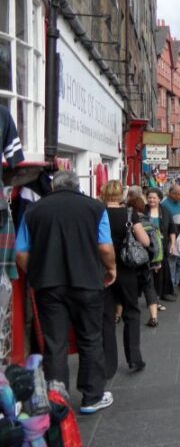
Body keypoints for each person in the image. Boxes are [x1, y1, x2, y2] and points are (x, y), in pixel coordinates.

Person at [15, 170, 116, 414]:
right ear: (76, 185)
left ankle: (57, 399)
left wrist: (37, 272)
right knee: (91, 338)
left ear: (54, 187)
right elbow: (104, 246)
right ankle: (92, 397)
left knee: (54, 343)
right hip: (87, 283)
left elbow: (21, 253)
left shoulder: (34, 211)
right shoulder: (95, 208)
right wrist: (111, 268)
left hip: (49, 286)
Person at [101, 180, 149, 375]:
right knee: (131, 312)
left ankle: (108, 365)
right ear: (121, 194)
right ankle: (134, 358)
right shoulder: (129, 214)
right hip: (127, 270)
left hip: (103, 270)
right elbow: (145, 241)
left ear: (103, 193)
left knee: (106, 317)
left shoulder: (98, 214)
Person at [126, 187, 161, 328]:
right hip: (145, 260)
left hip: (129, 260)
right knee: (149, 287)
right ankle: (154, 317)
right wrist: (157, 261)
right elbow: (155, 244)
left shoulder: (127, 222)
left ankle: (119, 314)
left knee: (128, 287)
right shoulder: (149, 223)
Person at [145, 188, 176, 305]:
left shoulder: (165, 211)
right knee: (148, 272)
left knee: (160, 271)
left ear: (159, 199)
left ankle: (158, 295)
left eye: (154, 198)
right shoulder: (143, 210)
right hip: (146, 246)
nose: (151, 200)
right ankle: (151, 295)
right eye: (149, 197)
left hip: (161, 247)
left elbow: (172, 229)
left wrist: (173, 244)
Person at [162, 185, 180, 293]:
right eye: (179, 194)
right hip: (172, 238)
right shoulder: (164, 205)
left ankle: (173, 283)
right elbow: (166, 224)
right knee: (172, 263)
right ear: (171, 193)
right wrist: (179, 225)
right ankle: (171, 287)